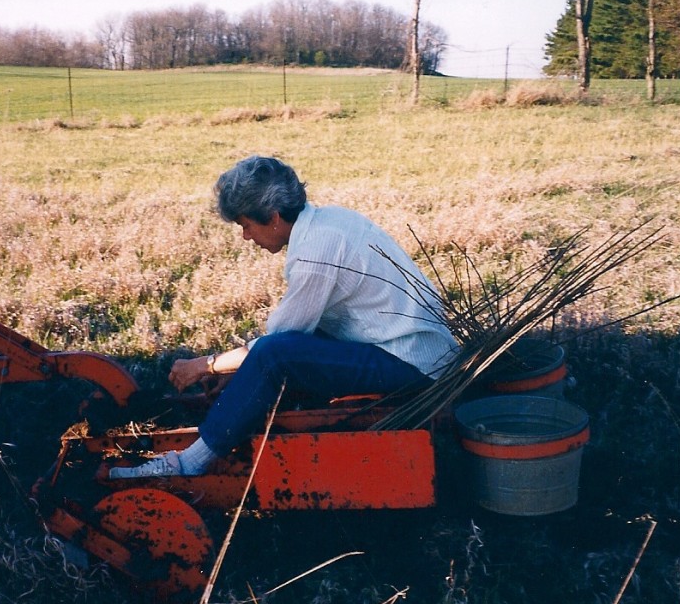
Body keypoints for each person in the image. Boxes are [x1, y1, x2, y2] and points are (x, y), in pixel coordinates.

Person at [110, 156, 459, 479]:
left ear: (274, 217)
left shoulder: (316, 253)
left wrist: (206, 364)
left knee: (274, 355)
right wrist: (238, 374)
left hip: (411, 363)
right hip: (403, 345)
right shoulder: (328, 221)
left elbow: (278, 341)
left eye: (246, 225)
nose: (246, 236)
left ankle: (188, 463)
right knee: (274, 355)